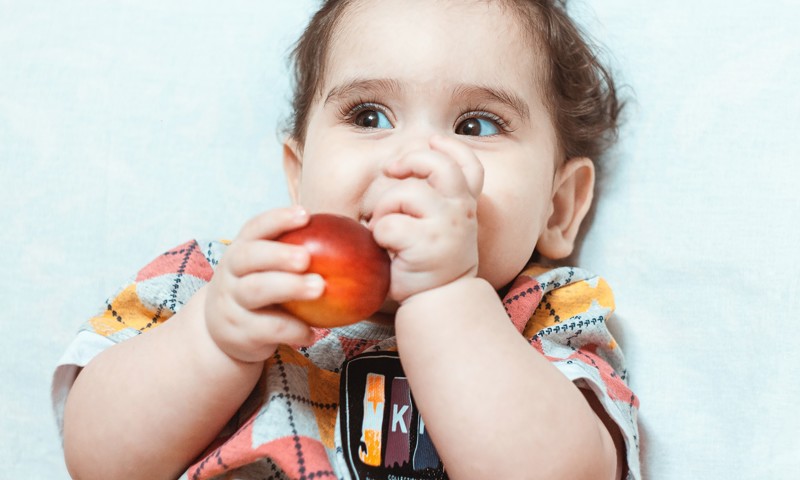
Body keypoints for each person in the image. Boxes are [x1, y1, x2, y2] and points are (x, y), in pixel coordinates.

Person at [53, 0, 640, 478]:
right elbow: (96, 460)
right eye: (368, 117)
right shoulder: (224, 283)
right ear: (298, 176)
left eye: (475, 125)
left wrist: (446, 299)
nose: (412, 162)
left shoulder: (546, 320)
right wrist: (212, 342)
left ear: (558, 208)